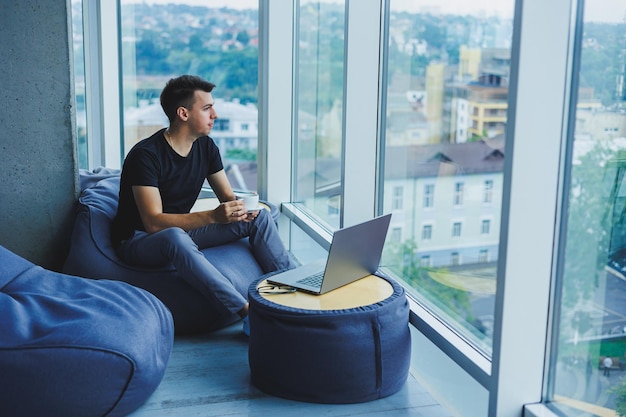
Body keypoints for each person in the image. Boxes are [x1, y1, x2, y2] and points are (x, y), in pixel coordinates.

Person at [111, 75, 295, 334]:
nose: (215, 114)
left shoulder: (206, 147)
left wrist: (241, 207)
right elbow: (153, 222)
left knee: (259, 216)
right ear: (183, 113)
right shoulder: (145, 156)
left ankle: (292, 289)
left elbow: (227, 198)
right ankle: (247, 313)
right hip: (138, 240)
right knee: (174, 236)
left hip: (179, 233)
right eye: (207, 108)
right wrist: (213, 217)